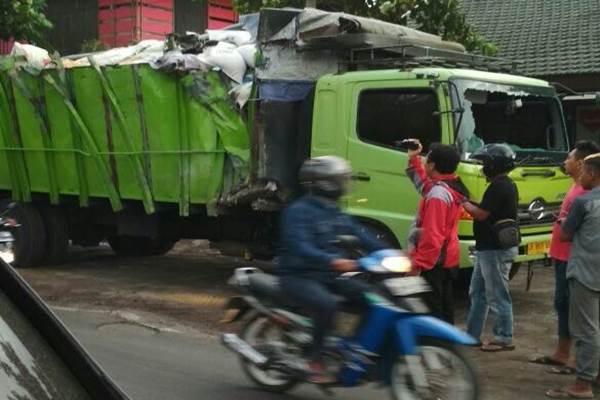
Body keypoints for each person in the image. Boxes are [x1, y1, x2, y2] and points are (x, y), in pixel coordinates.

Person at [277, 155, 385, 384]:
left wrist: (391, 253)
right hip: (298, 275)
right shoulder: (298, 210)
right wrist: (331, 260)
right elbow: (300, 246)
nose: (345, 185)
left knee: (372, 299)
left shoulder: (333, 210)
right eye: (340, 180)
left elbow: (360, 233)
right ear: (325, 183)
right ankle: (315, 359)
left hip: (327, 275)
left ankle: (354, 352)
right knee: (327, 304)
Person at [531, 140, 600, 371]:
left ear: (581, 163)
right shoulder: (575, 187)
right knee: (562, 305)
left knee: (577, 312)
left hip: (574, 259)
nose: (565, 161)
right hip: (562, 256)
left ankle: (581, 368)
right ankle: (563, 353)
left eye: (569, 158)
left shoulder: (586, 194)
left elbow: (574, 231)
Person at [546, 153, 600, 399]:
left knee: (586, 330)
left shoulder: (584, 202)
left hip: (586, 272)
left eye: (585, 172)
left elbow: (566, 235)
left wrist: (565, 223)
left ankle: (582, 384)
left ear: (592, 175)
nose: (582, 176)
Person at [405, 140, 469, 324]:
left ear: (432, 165)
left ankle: (438, 347)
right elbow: (422, 184)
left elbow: (432, 236)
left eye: (427, 159)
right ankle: (447, 347)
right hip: (447, 259)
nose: (425, 161)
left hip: (434, 263)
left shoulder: (437, 196)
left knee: (433, 311)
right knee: (445, 305)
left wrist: (417, 264)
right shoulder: (447, 186)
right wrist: (413, 157)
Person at [463, 143, 519, 352]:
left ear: (495, 165)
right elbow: (487, 208)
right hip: (487, 248)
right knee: (477, 292)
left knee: (496, 294)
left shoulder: (500, 185)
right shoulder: (502, 184)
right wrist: (470, 201)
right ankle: (472, 335)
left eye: (485, 163)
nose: (483, 166)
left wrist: (463, 202)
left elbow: (482, 214)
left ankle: (503, 336)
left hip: (495, 249)